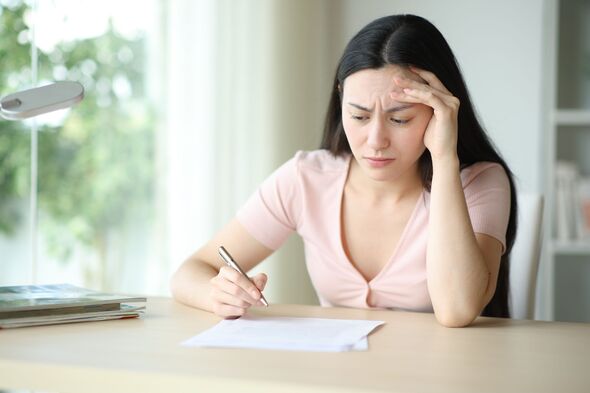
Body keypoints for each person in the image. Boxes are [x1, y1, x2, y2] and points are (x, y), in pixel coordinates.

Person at [170, 14, 517, 328]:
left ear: (440, 109)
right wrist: (217, 294)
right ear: (341, 103)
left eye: (400, 119)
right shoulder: (307, 178)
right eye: (359, 116)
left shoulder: (480, 181)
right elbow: (190, 272)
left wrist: (444, 158)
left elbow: (457, 309)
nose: (376, 140)